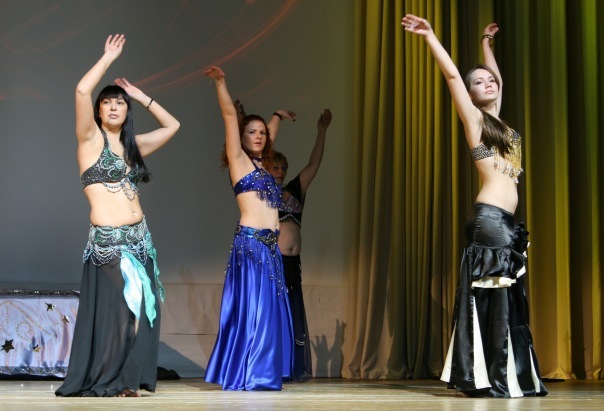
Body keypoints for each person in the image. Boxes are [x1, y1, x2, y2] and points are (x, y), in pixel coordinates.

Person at [401, 16, 547, 397]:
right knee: (495, 298)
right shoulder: (476, 121)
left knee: (505, 298)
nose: (489, 83)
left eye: (490, 80)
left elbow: (499, 81)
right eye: (479, 82)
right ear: (470, 93)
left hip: (505, 222)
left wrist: (485, 43)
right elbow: (452, 76)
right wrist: (431, 36)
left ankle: (503, 374)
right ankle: (492, 376)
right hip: (489, 220)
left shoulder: (503, 126)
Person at [55, 34, 180, 397]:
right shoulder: (89, 140)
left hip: (141, 239)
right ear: (98, 111)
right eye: (107, 102)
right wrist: (107, 59)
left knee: (143, 311)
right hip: (110, 243)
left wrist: (139, 95)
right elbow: (82, 90)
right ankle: (113, 379)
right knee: (125, 310)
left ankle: (127, 379)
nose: (113, 107)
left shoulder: (132, 147)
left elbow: (172, 126)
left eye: (120, 103)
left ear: (127, 111)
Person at [202, 66, 293, 391]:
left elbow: (269, 135)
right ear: (239, 137)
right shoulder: (239, 161)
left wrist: (276, 117)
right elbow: (229, 115)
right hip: (251, 246)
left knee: (267, 311)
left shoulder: (263, 165)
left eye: (262, 133)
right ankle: (251, 374)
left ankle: (259, 372)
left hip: (270, 249)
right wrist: (221, 82)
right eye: (251, 132)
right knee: (254, 310)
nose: (258, 136)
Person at [268, 108, 332, 382]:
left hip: (294, 264)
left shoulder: (295, 189)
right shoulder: (262, 191)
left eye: (283, 168)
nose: (280, 171)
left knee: (292, 313)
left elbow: (313, 164)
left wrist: (322, 131)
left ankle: (290, 366)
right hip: (274, 261)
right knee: (275, 313)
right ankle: (273, 366)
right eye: (275, 167)